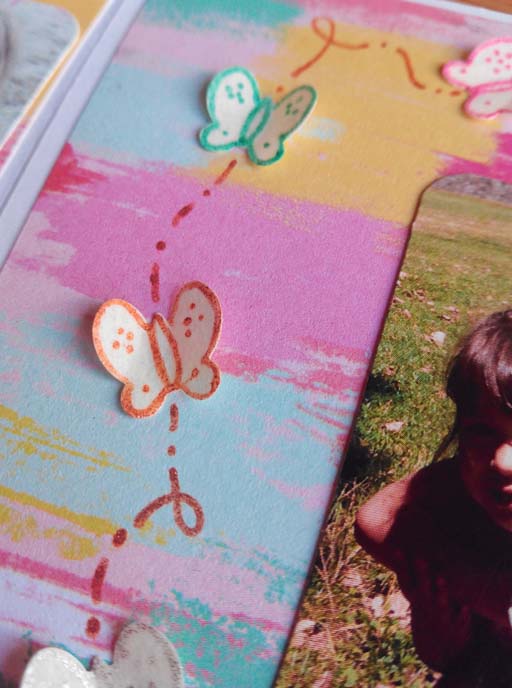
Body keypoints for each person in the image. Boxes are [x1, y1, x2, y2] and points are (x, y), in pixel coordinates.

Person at [355, 310, 512, 687]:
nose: (503, 462)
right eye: (482, 431)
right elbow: (373, 519)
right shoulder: (461, 505)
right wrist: (466, 594)